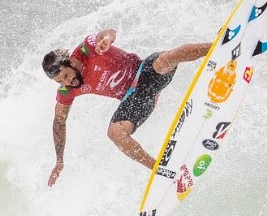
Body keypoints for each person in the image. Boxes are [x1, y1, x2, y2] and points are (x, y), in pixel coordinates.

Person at [42, 29, 212, 186]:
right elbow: (59, 122)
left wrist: (107, 39)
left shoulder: (88, 49)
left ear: (71, 62)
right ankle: (162, 171)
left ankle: (217, 45)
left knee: (165, 59)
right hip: (135, 99)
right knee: (114, 133)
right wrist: (59, 160)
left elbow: (107, 34)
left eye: (65, 75)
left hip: (145, 72)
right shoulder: (67, 91)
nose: (66, 82)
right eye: (60, 81)